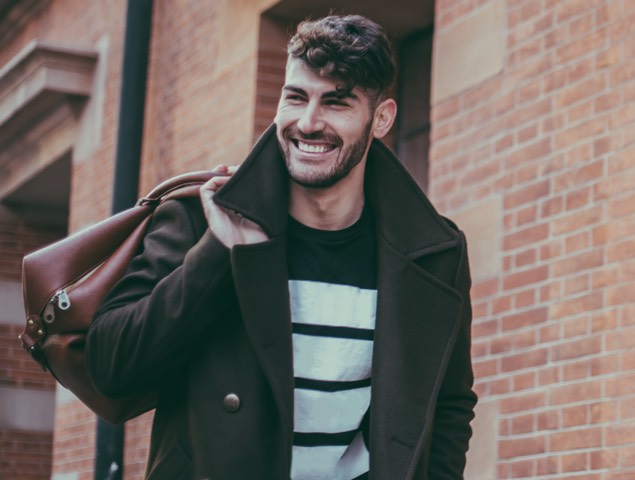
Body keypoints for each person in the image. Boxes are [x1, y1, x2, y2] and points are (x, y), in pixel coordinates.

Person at [86, 15, 476, 480]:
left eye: (336, 102)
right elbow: (111, 367)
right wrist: (217, 254)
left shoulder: (434, 254)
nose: (308, 123)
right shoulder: (200, 219)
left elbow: (449, 405)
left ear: (382, 118)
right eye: (296, 97)